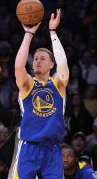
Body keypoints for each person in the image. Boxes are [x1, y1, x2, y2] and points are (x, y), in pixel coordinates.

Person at [13, 9, 69, 178]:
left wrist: (53, 32)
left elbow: (63, 64)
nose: (37, 60)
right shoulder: (28, 83)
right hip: (29, 147)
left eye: (43, 58)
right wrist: (28, 34)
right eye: (36, 58)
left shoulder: (58, 84)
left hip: (52, 148)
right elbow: (18, 67)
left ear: (52, 64)